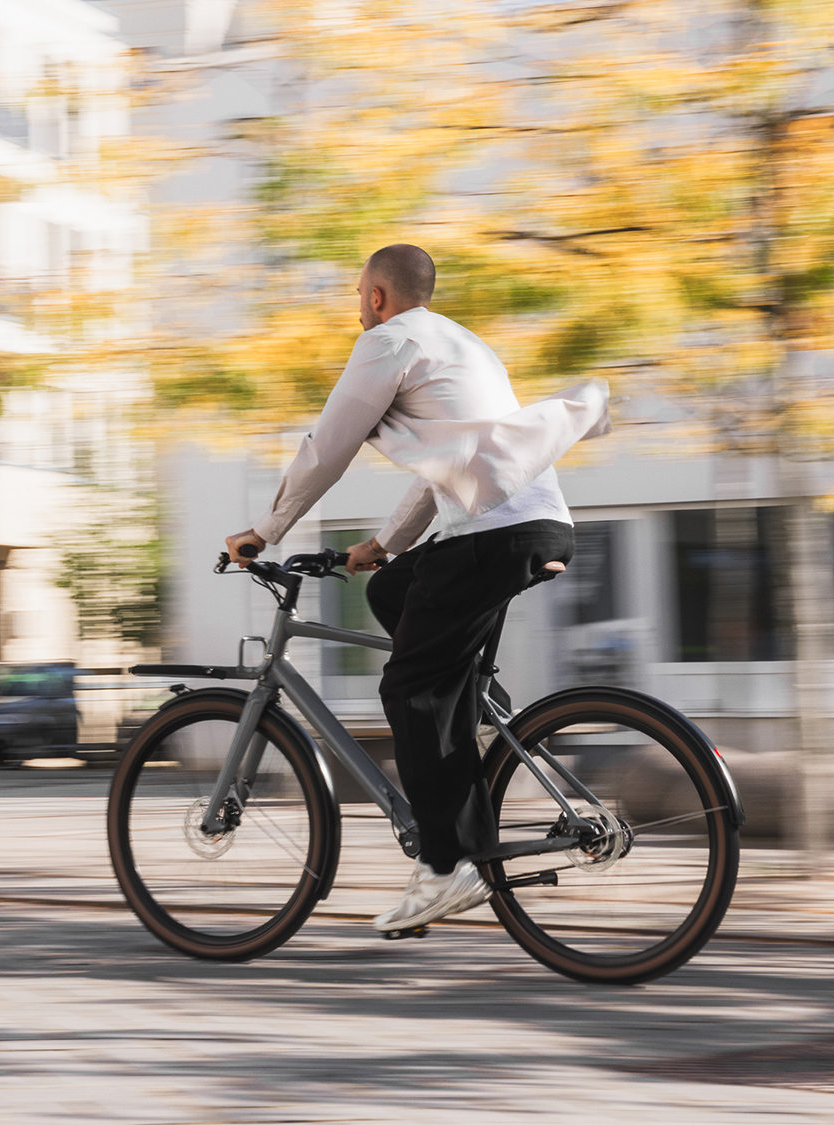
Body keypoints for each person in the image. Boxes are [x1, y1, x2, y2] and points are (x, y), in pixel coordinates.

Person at [224, 243, 609, 932]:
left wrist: (264, 528)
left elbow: (328, 446)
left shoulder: (389, 340)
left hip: (492, 537)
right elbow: (452, 466)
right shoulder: (466, 345)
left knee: (409, 689)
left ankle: (445, 864)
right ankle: (468, 712)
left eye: (355, 292)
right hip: (537, 527)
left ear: (376, 295)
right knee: (393, 589)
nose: (356, 305)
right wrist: (381, 547)